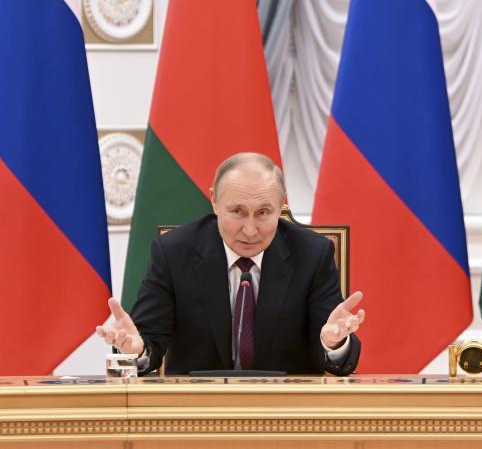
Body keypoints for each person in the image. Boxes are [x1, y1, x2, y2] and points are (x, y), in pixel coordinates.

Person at [97, 152, 364, 375]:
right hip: (195, 415)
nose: (250, 230)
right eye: (237, 212)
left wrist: (334, 343)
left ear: (281, 205)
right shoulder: (174, 252)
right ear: (214, 200)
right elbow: (146, 346)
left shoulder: (312, 253)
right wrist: (135, 351)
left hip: (286, 415)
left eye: (263, 213)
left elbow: (337, 358)